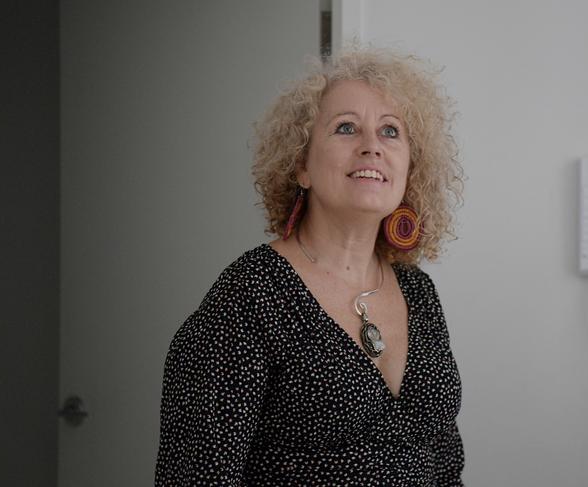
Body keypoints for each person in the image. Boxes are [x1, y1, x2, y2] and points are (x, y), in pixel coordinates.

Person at [155, 46, 465, 486]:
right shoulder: (250, 295)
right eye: (346, 128)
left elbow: (446, 468)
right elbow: (198, 476)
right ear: (301, 164)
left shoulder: (419, 292)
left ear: (411, 167)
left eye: (391, 131)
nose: (372, 147)